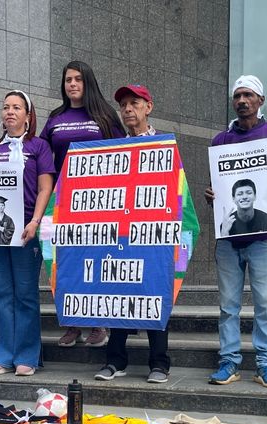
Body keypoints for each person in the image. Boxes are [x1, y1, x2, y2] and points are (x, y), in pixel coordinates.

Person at [205, 75, 267, 388]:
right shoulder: (220, 141)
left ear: (261, 100)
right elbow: (218, 186)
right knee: (228, 305)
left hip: (264, 238)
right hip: (228, 239)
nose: (242, 101)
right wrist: (212, 194)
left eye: (248, 95)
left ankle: (265, 363)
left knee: (265, 304)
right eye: (237, 96)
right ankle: (229, 362)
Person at [40, 60, 125, 348]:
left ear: (88, 82)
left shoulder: (105, 115)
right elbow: (42, 159)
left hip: (99, 203)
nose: (73, 84)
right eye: (68, 80)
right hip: (64, 203)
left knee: (96, 261)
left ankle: (99, 324)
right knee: (66, 262)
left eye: (78, 79)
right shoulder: (56, 118)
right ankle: (72, 323)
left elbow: (123, 155)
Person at [95, 84, 171, 384]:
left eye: (134, 103)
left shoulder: (164, 146)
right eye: (123, 104)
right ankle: (115, 360)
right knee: (117, 294)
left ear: (148, 107)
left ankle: (159, 363)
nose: (128, 109)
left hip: (154, 236)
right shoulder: (113, 149)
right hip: (120, 235)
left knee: (154, 294)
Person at [0, 90, 56, 376]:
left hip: (26, 228)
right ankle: (4, 354)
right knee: (1, 293)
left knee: (25, 293)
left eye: (16, 107)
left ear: (28, 115)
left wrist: (35, 221)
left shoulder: (39, 146)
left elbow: (45, 188)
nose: (10, 111)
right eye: (5, 107)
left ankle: (27, 354)